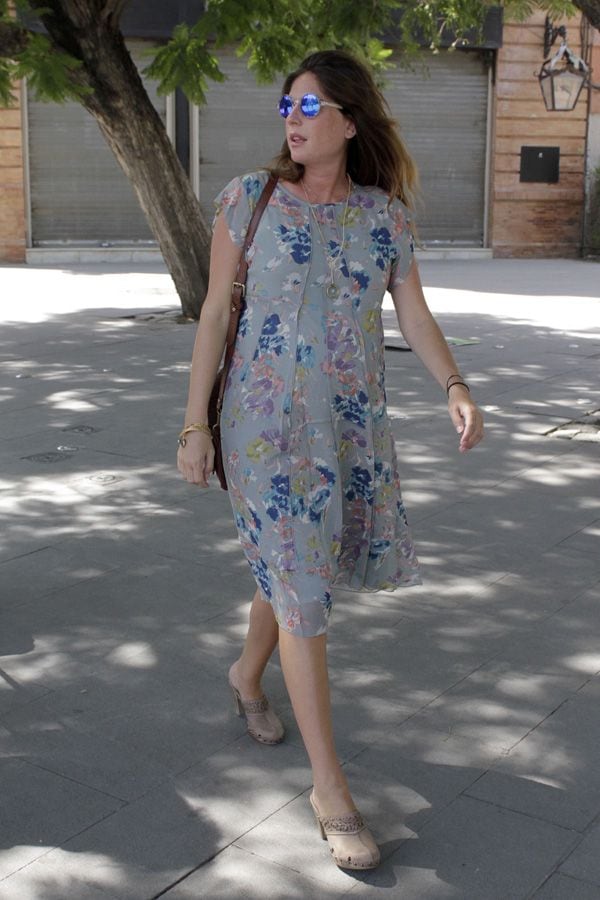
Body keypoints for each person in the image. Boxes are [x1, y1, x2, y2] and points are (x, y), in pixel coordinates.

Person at [177, 49, 484, 870]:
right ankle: (331, 790)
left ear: (350, 120)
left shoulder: (386, 218)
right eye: (287, 106)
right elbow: (212, 315)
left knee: (289, 571)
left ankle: (246, 675)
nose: (293, 119)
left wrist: (454, 384)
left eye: (310, 106)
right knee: (304, 589)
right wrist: (192, 426)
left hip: (345, 431)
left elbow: (414, 317)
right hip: (259, 430)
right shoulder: (249, 200)